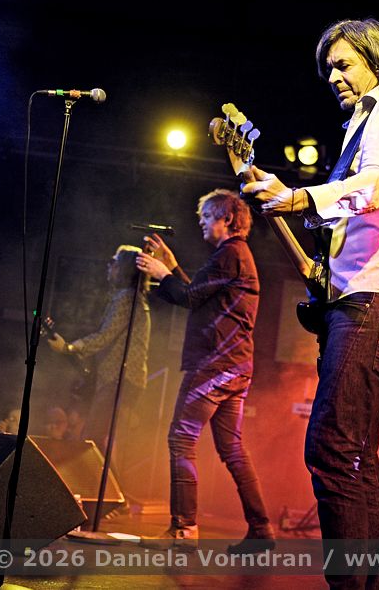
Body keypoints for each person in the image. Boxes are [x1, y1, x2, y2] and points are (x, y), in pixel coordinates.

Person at [240, 18, 379, 587]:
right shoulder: (364, 123)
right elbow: (353, 219)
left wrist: (299, 196)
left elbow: (375, 187)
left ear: (377, 61)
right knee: (354, 457)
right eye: (328, 68)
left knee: (332, 446)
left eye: (344, 64)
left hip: (377, 298)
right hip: (362, 296)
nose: (333, 76)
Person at [135, 188, 273, 553]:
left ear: (227, 219)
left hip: (214, 365)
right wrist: (172, 267)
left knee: (181, 438)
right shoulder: (235, 255)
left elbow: (187, 297)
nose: (201, 222)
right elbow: (199, 295)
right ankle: (261, 529)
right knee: (232, 449)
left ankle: (184, 530)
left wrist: (162, 273)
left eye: (207, 216)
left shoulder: (230, 254)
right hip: (235, 366)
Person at [47, 245, 150, 445]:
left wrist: (68, 348)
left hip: (119, 380)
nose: (108, 266)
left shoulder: (126, 299)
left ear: (124, 269)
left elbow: (104, 337)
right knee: (102, 440)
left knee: (90, 439)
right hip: (123, 380)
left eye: (113, 262)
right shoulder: (133, 299)